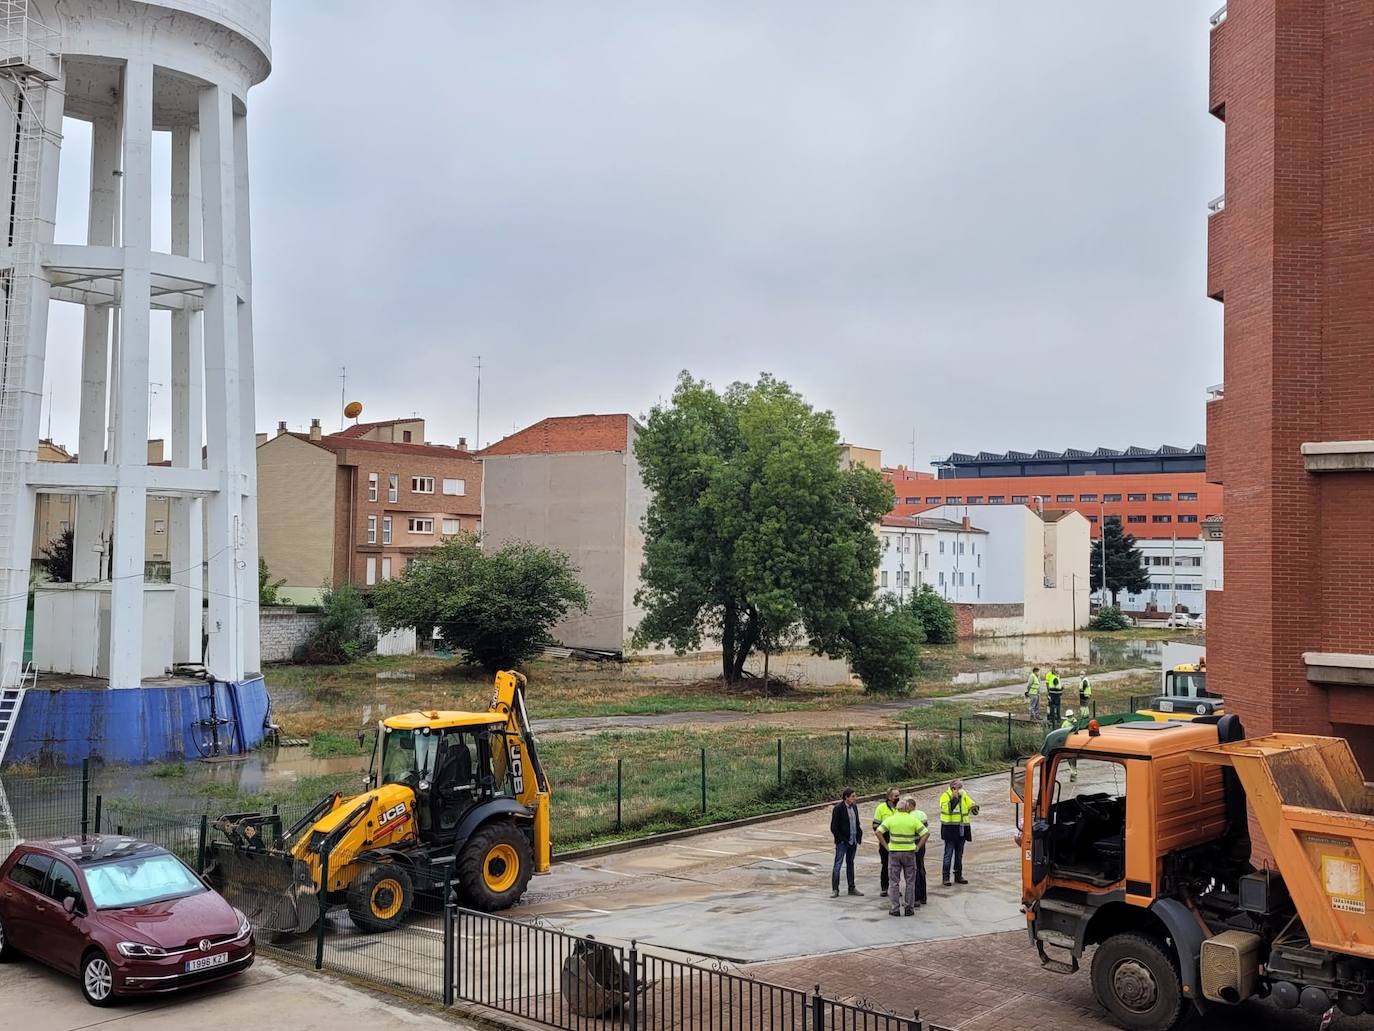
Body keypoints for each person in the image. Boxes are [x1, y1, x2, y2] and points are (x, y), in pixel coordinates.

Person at [877, 796, 929, 916]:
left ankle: (895, 908)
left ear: (897, 808)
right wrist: (918, 847)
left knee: (894, 882)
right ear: (907, 808)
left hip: (894, 853)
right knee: (910, 881)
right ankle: (909, 908)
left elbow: (878, 832)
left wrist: (886, 846)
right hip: (909, 853)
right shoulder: (912, 820)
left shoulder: (891, 819)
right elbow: (926, 833)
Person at [939, 778, 979, 886]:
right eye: (959, 787)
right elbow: (947, 809)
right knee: (948, 854)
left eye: (961, 787)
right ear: (953, 788)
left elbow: (972, 807)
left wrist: (974, 808)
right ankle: (946, 877)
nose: (961, 789)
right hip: (950, 830)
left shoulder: (964, 795)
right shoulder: (945, 796)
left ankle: (958, 876)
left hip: (962, 829)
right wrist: (954, 798)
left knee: (959, 855)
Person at [829, 788, 864, 898]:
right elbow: (834, 827)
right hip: (843, 842)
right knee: (838, 864)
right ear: (846, 797)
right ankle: (835, 889)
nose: (855, 798)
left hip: (852, 841)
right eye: (853, 796)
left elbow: (856, 823)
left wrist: (858, 836)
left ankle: (851, 887)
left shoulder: (854, 807)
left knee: (850, 863)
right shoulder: (838, 809)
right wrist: (842, 839)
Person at [872, 787, 901, 898]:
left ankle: (895, 888)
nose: (898, 798)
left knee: (897, 867)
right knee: (885, 865)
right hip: (885, 841)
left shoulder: (900, 808)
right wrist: (883, 840)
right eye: (896, 796)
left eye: (898, 796)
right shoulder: (881, 808)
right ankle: (884, 887)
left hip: (898, 841)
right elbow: (875, 826)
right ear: (889, 797)